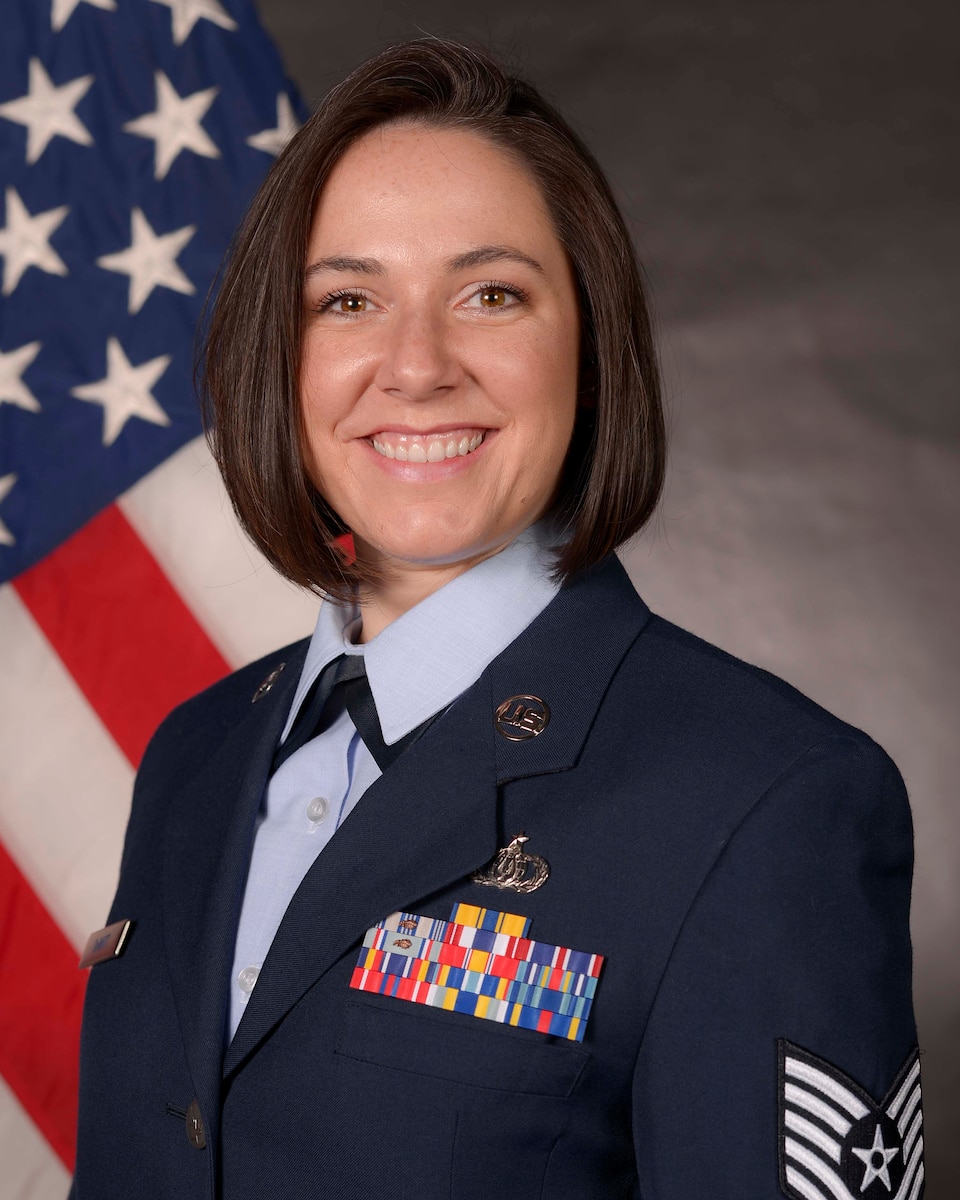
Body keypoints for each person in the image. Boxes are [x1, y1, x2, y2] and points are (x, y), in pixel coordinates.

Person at [72, 39, 923, 1200]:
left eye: (491, 294)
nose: (415, 366)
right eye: (349, 300)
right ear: (281, 356)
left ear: (590, 343)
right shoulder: (197, 752)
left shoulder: (768, 800)